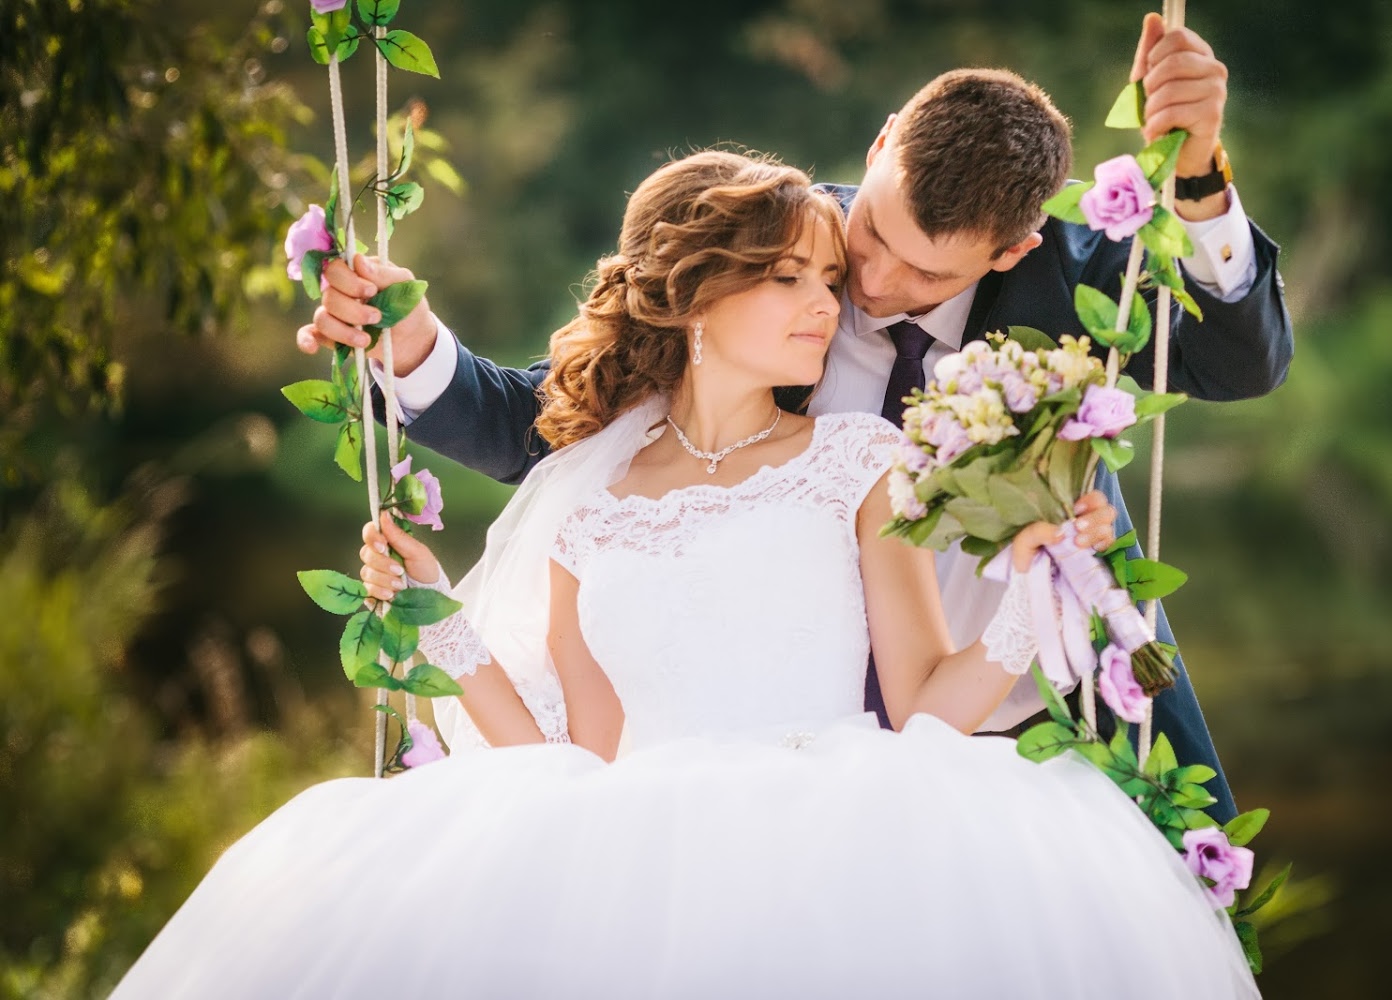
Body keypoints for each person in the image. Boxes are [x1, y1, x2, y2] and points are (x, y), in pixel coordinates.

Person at [114, 151, 1258, 998]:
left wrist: (1036, 599)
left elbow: (925, 704)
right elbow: (574, 758)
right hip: (635, 854)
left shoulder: (863, 461)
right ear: (699, 298)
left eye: (828, 279)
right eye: (793, 281)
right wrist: (443, 629)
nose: (832, 302)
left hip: (853, 829)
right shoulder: (594, 497)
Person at [297, 15, 1292, 822]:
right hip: (762, 779)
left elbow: (1239, 360)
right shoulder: (769, 254)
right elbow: (561, 417)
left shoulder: (1069, 287)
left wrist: (1197, 177)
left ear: (1010, 251)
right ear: (880, 144)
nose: (869, 281)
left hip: (1028, 732)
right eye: (871, 236)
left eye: (926, 273)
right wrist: (414, 345)